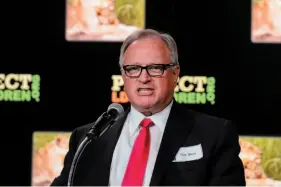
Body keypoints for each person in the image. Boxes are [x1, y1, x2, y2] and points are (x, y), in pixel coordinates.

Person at [50, 29, 246, 186]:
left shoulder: (214, 135)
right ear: (123, 75)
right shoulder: (88, 139)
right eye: (133, 69)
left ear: (175, 73)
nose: (144, 78)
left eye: (155, 68)